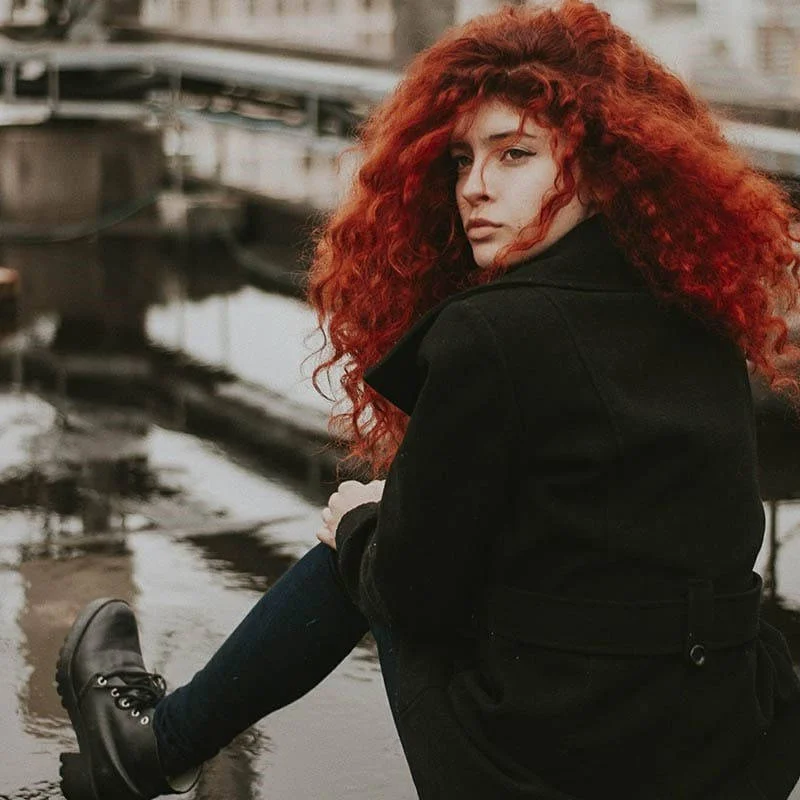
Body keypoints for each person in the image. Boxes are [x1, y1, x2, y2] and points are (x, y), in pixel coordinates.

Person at [55, 1, 800, 798]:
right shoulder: (697, 311)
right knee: (412, 524)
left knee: (363, 538)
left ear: (598, 165)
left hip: (551, 774)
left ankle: (154, 747)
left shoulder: (493, 334)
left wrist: (359, 531)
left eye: (514, 154)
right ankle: (159, 746)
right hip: (731, 756)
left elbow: (412, 597)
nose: (474, 187)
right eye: (460, 160)